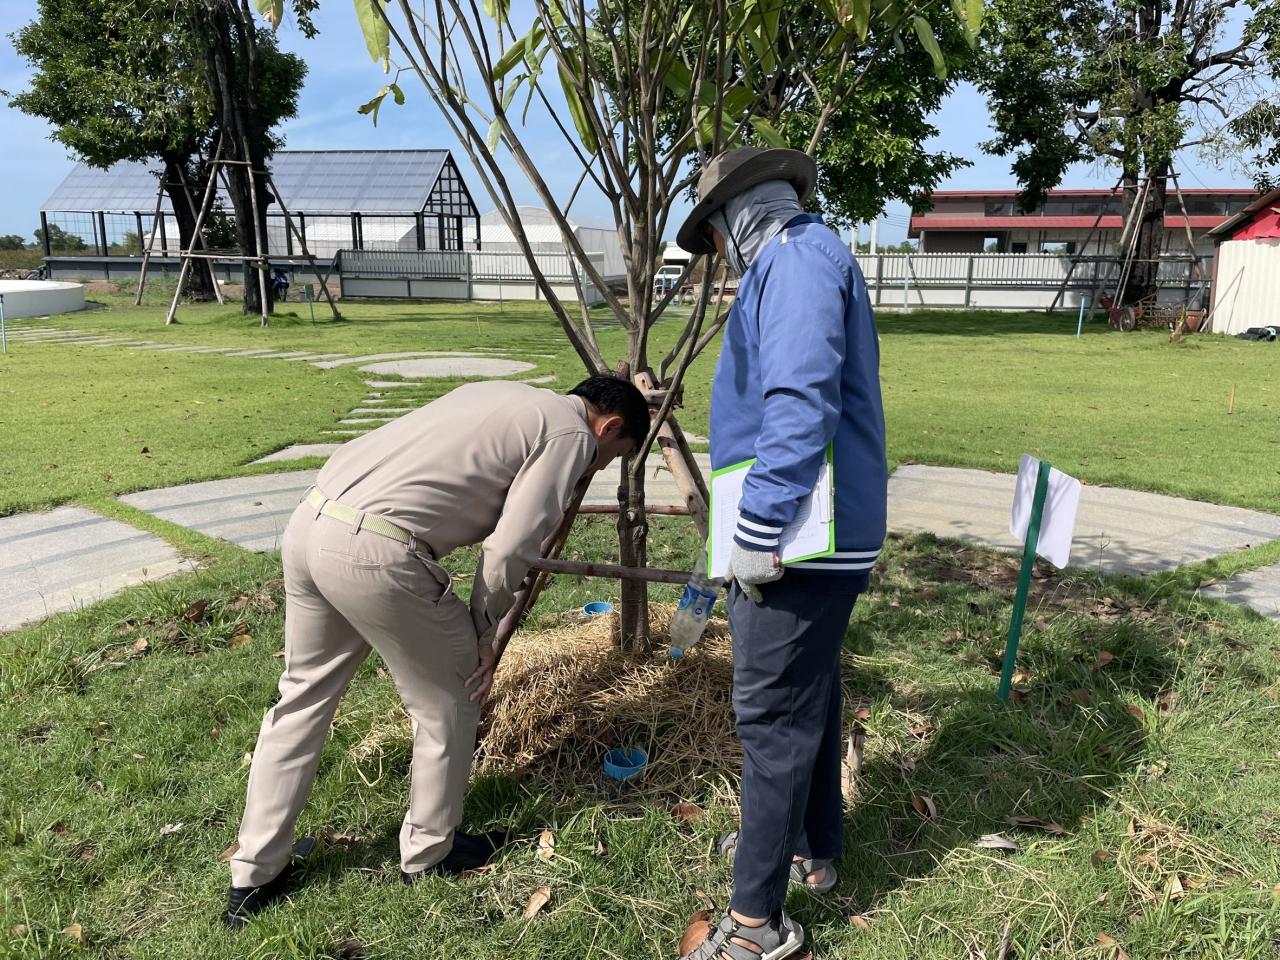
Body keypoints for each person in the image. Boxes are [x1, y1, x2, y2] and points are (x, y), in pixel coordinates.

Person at [225, 376, 649, 927]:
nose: (600, 467)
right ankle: (429, 853)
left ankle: (255, 872)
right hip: (375, 549)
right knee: (453, 695)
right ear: (609, 426)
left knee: (301, 696)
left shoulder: (505, 392)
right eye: (613, 456)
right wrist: (481, 630)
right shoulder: (570, 435)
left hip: (311, 520)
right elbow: (510, 548)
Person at [675, 148, 888, 960]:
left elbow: (799, 404)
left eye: (716, 239)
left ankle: (756, 924)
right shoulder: (802, 262)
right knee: (810, 698)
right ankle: (811, 850)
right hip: (808, 531)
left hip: (798, 537)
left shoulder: (795, 262)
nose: (719, 259)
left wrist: (757, 531)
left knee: (770, 718)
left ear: (735, 217)